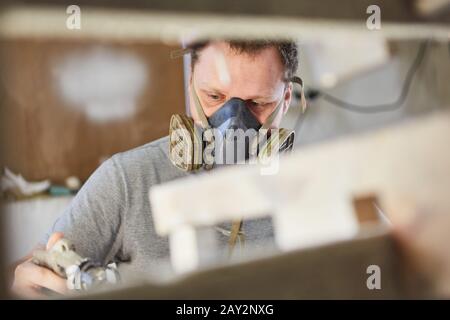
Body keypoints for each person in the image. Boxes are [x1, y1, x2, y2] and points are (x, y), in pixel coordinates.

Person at [11, 39, 299, 298]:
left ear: (286, 99)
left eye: (257, 103)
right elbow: (40, 275)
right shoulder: (127, 178)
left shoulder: (315, 184)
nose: (233, 122)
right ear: (190, 85)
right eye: (214, 97)